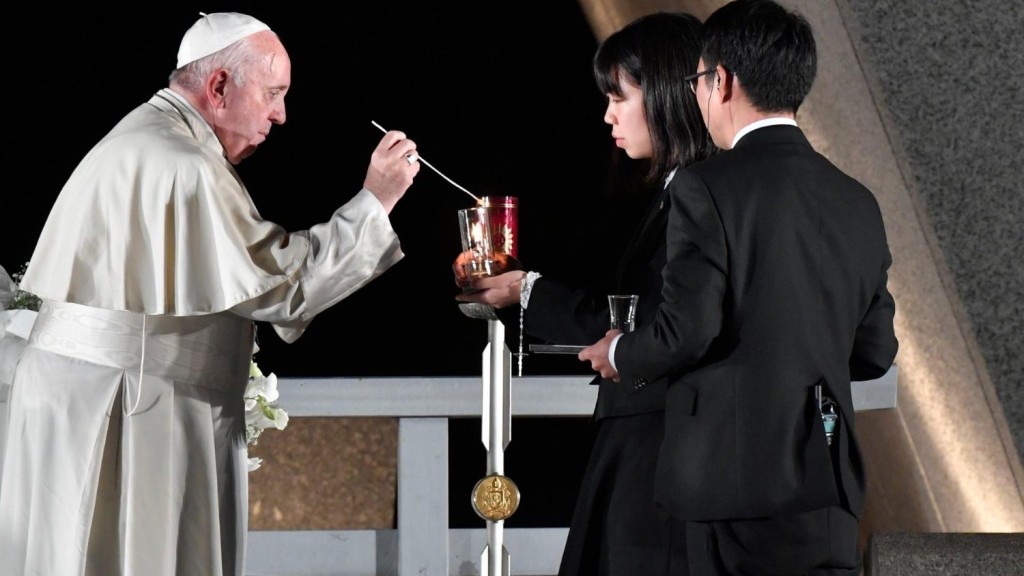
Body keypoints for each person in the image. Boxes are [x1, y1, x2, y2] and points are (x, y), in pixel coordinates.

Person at [0, 12, 420, 576]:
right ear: (219, 87)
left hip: (80, 399)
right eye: (273, 93)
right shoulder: (185, 162)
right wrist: (376, 201)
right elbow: (285, 287)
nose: (281, 114)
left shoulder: (143, 134)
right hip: (134, 406)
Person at [580, 1, 899, 574]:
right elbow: (875, 352)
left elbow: (687, 330)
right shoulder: (857, 200)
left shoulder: (706, 187)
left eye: (698, 82)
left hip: (729, 487)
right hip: (827, 483)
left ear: (720, 81)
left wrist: (621, 352)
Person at [456, 12, 715, 575]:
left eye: (619, 97)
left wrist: (527, 292)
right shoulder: (680, 190)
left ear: (669, 93)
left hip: (660, 449)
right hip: (644, 440)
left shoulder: (703, 195)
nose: (607, 116)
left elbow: (657, 321)